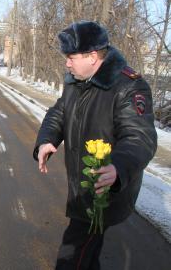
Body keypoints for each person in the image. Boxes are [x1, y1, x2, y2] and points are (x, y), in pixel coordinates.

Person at [33, 21, 157, 269]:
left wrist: (118, 167)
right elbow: (59, 112)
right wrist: (47, 140)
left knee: (72, 255)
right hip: (81, 185)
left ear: (92, 56)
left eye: (71, 57)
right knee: (87, 255)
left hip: (103, 191)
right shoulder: (76, 80)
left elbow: (140, 137)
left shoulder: (129, 86)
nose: (66, 63)